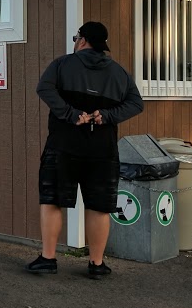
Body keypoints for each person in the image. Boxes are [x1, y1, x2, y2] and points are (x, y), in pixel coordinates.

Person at [26, 21, 144, 280]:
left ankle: (48, 258)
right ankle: (97, 264)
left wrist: (71, 114)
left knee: (53, 200)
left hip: (63, 145)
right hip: (102, 150)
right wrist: (108, 115)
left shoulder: (62, 64)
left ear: (81, 40)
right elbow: (136, 103)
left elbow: (43, 88)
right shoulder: (118, 72)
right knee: (99, 206)